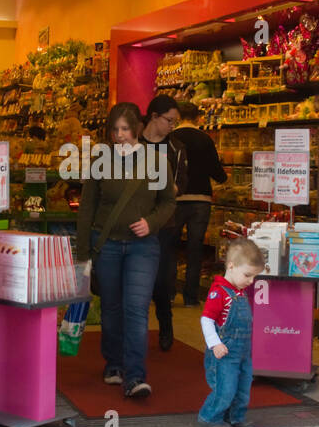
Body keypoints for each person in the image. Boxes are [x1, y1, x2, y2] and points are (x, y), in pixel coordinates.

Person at [75, 102, 176, 398]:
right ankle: (114, 363)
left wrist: (152, 222)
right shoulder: (101, 161)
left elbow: (168, 201)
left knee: (136, 309)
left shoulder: (157, 162)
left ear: (137, 129)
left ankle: (135, 376)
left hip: (143, 247)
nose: (119, 135)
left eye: (125, 129)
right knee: (111, 308)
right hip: (106, 245)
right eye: (115, 130)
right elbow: (87, 208)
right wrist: (83, 256)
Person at [197, 237, 264, 427]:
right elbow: (206, 320)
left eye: (254, 277)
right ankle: (209, 416)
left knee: (243, 387)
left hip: (242, 353)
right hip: (224, 353)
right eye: (248, 275)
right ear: (232, 266)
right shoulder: (219, 293)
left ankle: (236, 417)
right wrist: (214, 344)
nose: (251, 282)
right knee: (225, 388)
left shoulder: (238, 291)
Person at [167, 100, 227, 306]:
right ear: (198, 118)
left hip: (174, 200)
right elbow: (216, 171)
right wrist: (222, 179)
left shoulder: (171, 139)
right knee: (195, 249)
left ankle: (168, 294)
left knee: (171, 248)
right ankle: (191, 297)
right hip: (201, 200)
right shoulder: (205, 139)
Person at [141, 94, 188, 350]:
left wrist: (171, 187)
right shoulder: (132, 144)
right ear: (154, 117)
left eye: (175, 122)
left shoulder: (176, 149)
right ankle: (135, 331)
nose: (172, 126)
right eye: (169, 120)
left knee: (161, 279)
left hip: (164, 223)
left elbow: (181, 183)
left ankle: (165, 324)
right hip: (134, 220)